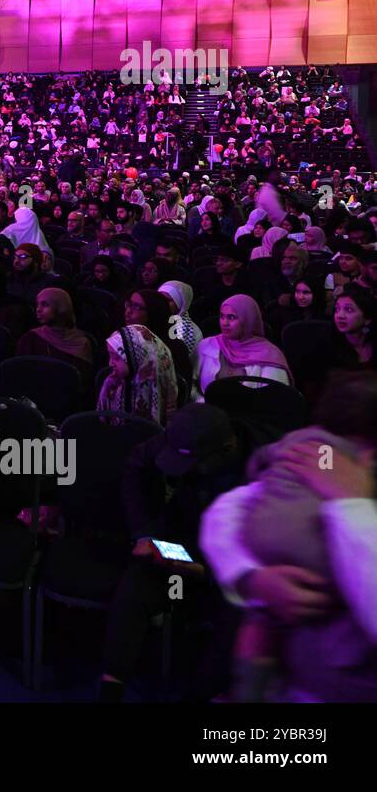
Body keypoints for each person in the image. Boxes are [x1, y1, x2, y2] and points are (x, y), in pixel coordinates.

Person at [200, 374, 377, 701]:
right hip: (300, 678)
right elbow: (226, 511)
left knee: (261, 625)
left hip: (342, 682)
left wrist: (350, 501)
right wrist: (251, 578)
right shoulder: (332, 457)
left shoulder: (315, 449)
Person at [98, 404, 245, 702]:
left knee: (237, 618)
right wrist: (143, 532)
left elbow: (254, 565)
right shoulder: (186, 434)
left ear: (226, 449)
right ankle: (111, 689)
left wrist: (196, 569)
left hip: (231, 569)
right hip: (185, 539)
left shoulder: (257, 474)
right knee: (137, 580)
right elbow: (136, 463)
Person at [193, 294, 292, 396]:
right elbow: (191, 383)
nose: (224, 323)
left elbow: (277, 399)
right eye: (222, 316)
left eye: (231, 317)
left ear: (248, 320)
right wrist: (201, 402)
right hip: (208, 409)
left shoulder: (270, 354)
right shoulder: (207, 345)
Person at [16, 287, 97, 392]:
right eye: (37, 304)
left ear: (61, 307)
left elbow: (83, 384)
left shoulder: (82, 342)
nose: (38, 309)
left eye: (45, 305)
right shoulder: (30, 338)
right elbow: (20, 375)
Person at [97, 324, 179, 426]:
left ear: (135, 359)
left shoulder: (154, 389)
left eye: (116, 358)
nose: (110, 363)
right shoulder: (112, 383)